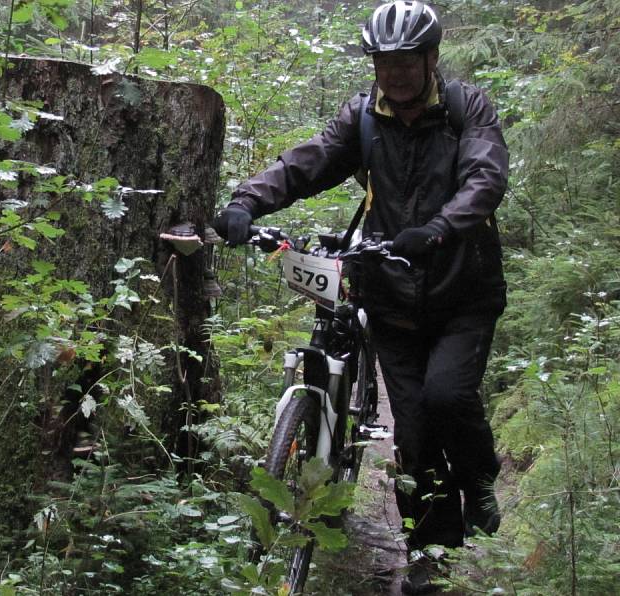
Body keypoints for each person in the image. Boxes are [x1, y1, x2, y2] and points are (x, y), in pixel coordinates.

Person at [212, 1, 508, 594]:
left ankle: (479, 478)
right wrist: (247, 201)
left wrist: (440, 228)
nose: (394, 73)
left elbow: (485, 177)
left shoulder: (464, 109)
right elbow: (309, 161)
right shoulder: (363, 119)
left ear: (430, 58)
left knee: (449, 395)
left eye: (405, 61)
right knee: (416, 433)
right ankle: (429, 556)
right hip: (393, 299)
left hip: (461, 290)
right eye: (383, 62)